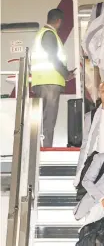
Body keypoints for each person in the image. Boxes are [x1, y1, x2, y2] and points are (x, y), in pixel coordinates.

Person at [31, 8, 75, 147]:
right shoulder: (49, 34)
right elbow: (53, 57)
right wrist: (66, 74)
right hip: (49, 82)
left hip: (42, 81)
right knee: (48, 119)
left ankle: (41, 147)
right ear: (59, 21)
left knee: (44, 119)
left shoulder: (42, 34)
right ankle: (45, 149)